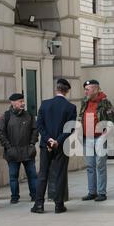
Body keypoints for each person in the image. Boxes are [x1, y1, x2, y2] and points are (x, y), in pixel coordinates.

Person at [31, 79, 77, 214]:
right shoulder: (70, 107)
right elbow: (70, 128)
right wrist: (57, 141)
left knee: (43, 174)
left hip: (46, 145)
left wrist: (48, 139)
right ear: (67, 91)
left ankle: (39, 205)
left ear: (56, 89)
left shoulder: (45, 104)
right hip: (61, 145)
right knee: (60, 174)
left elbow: (39, 125)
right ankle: (59, 205)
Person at [79, 80, 114, 202]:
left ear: (96, 89)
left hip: (100, 137)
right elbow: (81, 117)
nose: (85, 91)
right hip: (87, 138)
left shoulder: (105, 103)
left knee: (100, 165)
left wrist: (105, 135)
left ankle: (101, 192)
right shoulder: (84, 102)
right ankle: (92, 192)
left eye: (88, 89)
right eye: (85, 89)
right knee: (90, 166)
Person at [0, 93, 38, 204]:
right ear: (13, 103)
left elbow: (35, 130)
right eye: (20, 101)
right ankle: (14, 196)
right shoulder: (6, 116)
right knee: (13, 176)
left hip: (27, 151)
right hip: (12, 152)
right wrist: (8, 147)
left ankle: (35, 195)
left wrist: (32, 144)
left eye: (23, 101)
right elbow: (0, 133)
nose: (23, 103)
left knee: (32, 175)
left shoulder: (29, 115)